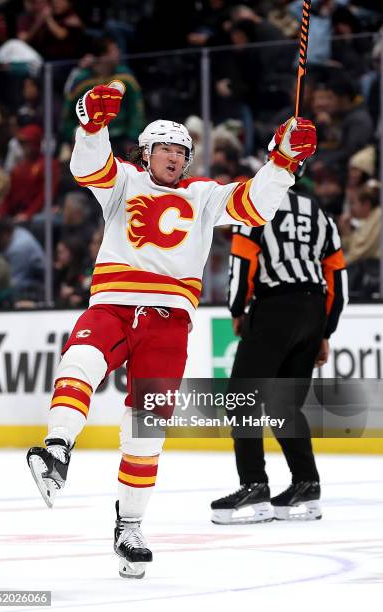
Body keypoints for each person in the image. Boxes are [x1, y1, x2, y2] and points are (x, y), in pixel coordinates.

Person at [26, 80, 317, 579]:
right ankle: (56, 450)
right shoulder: (122, 183)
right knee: (79, 362)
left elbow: (254, 205)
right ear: (145, 152)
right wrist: (91, 124)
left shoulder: (203, 196)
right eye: (164, 148)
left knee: (147, 429)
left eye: (182, 150)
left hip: (168, 322)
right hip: (114, 306)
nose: (174, 156)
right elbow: (86, 166)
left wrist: (283, 163)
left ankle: (130, 526)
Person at [210, 184, 348, 525]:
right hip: (313, 309)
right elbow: (338, 282)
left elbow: (242, 264)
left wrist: (237, 309)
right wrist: (325, 332)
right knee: (285, 404)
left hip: (275, 308)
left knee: (240, 400)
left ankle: (254, 484)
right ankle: (307, 483)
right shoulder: (322, 216)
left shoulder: (256, 206)